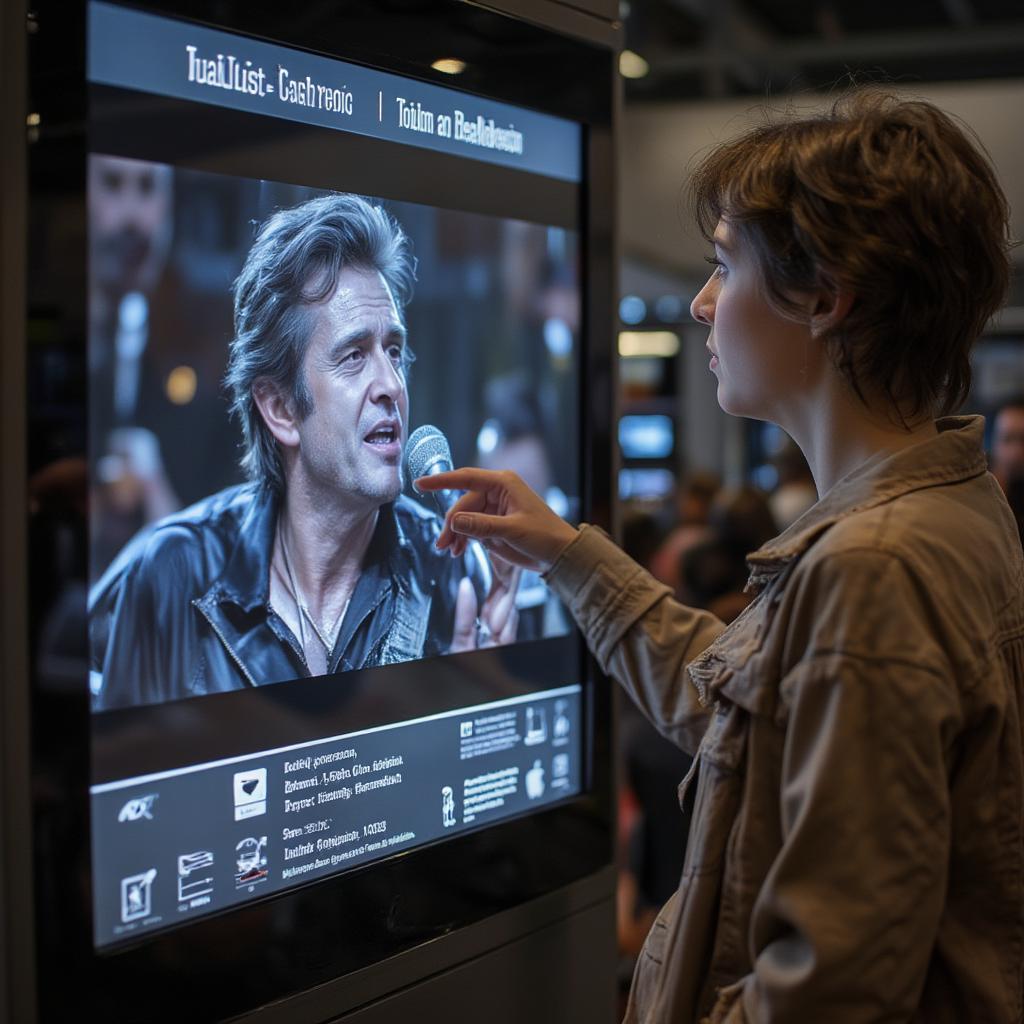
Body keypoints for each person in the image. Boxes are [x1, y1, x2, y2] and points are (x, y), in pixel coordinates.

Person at [419, 90, 1022, 1022]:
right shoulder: (947, 508)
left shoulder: (875, 568)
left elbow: (830, 990)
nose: (701, 305)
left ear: (824, 296)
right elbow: (749, 724)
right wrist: (572, 556)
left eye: (723, 266)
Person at [90, 193, 517, 711]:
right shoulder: (173, 574)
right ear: (280, 409)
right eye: (354, 356)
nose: (390, 384)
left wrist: (483, 715)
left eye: (395, 351)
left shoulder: (445, 567)